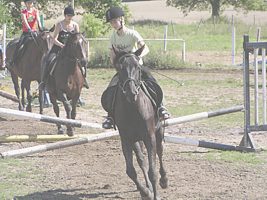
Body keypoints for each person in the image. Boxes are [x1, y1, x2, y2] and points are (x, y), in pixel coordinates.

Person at [102, 6, 170, 129]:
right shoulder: (113, 36)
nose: (113, 24)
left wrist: (137, 58)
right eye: (111, 22)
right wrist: (114, 63)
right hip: (123, 70)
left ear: (121, 19)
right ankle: (110, 116)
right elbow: (112, 53)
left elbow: (145, 48)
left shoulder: (132, 34)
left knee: (153, 82)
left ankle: (161, 108)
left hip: (136, 68)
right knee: (112, 87)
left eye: (114, 21)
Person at [39, 6, 89, 90]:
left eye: (71, 16)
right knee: (48, 59)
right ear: (65, 15)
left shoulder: (75, 25)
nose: (70, 17)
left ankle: (83, 80)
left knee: (82, 61)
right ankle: (43, 82)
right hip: (58, 48)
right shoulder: (59, 25)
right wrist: (61, 45)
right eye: (68, 15)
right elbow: (54, 39)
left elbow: (77, 38)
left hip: (71, 50)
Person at [10, 0, 42, 67]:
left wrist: (41, 28)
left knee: (43, 43)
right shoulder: (23, 12)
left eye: (31, 2)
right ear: (25, 3)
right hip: (26, 33)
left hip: (35, 32)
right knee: (20, 46)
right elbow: (25, 22)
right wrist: (29, 29)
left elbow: (38, 20)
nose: (30, 4)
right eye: (29, 2)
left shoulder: (35, 11)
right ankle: (13, 60)